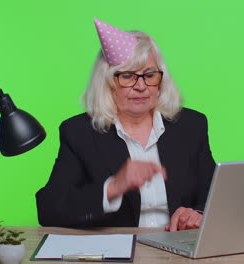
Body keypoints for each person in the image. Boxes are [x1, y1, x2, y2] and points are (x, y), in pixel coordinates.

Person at [36, 18, 215, 231]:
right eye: (128, 76)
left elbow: (217, 193)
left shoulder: (190, 125)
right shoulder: (79, 132)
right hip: (116, 251)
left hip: (179, 250)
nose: (141, 86)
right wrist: (112, 187)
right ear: (107, 82)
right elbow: (49, 209)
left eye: (149, 75)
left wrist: (198, 214)